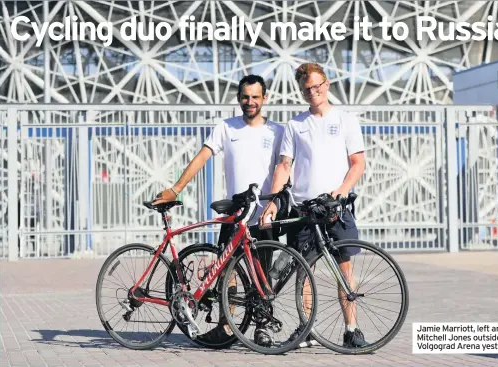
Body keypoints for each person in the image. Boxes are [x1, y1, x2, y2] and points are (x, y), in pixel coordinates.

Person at [153, 74, 284, 346]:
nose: (250, 102)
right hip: (236, 213)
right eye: (245, 97)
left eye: (255, 97)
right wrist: (176, 189)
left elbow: (287, 167)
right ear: (239, 99)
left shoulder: (278, 132)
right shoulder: (226, 127)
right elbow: (202, 157)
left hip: (264, 214)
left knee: (263, 273)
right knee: (227, 273)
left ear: (265, 99)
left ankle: (262, 327)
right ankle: (226, 326)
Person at [260, 62, 369, 348]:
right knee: (303, 272)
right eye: (307, 89)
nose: (313, 92)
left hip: (336, 208)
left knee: (344, 270)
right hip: (304, 209)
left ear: (327, 84)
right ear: (302, 91)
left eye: (317, 86)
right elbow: (284, 166)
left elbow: (358, 164)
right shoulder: (295, 125)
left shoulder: (346, 120)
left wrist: (341, 191)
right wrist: (272, 202)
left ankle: (351, 329)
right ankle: (307, 329)